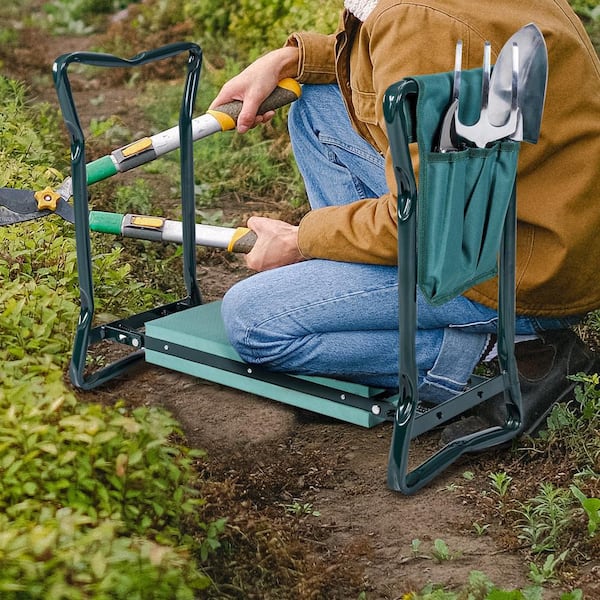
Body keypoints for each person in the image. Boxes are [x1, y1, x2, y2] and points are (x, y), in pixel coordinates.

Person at [210, 0, 600, 441]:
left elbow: (425, 219)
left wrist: (303, 239)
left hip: (517, 268)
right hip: (541, 212)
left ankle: (505, 354)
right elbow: (440, 65)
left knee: (253, 320)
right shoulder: (415, 17)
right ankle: (386, 286)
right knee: (316, 105)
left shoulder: (417, 24)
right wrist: (292, 59)